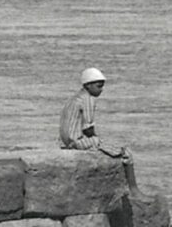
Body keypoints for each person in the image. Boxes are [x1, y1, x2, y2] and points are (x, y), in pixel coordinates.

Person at [59, 67, 144, 197]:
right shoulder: (88, 99)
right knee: (126, 153)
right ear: (88, 85)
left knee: (106, 144)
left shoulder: (75, 98)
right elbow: (88, 128)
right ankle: (134, 189)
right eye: (99, 86)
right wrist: (98, 141)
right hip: (77, 142)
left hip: (67, 141)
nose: (101, 90)